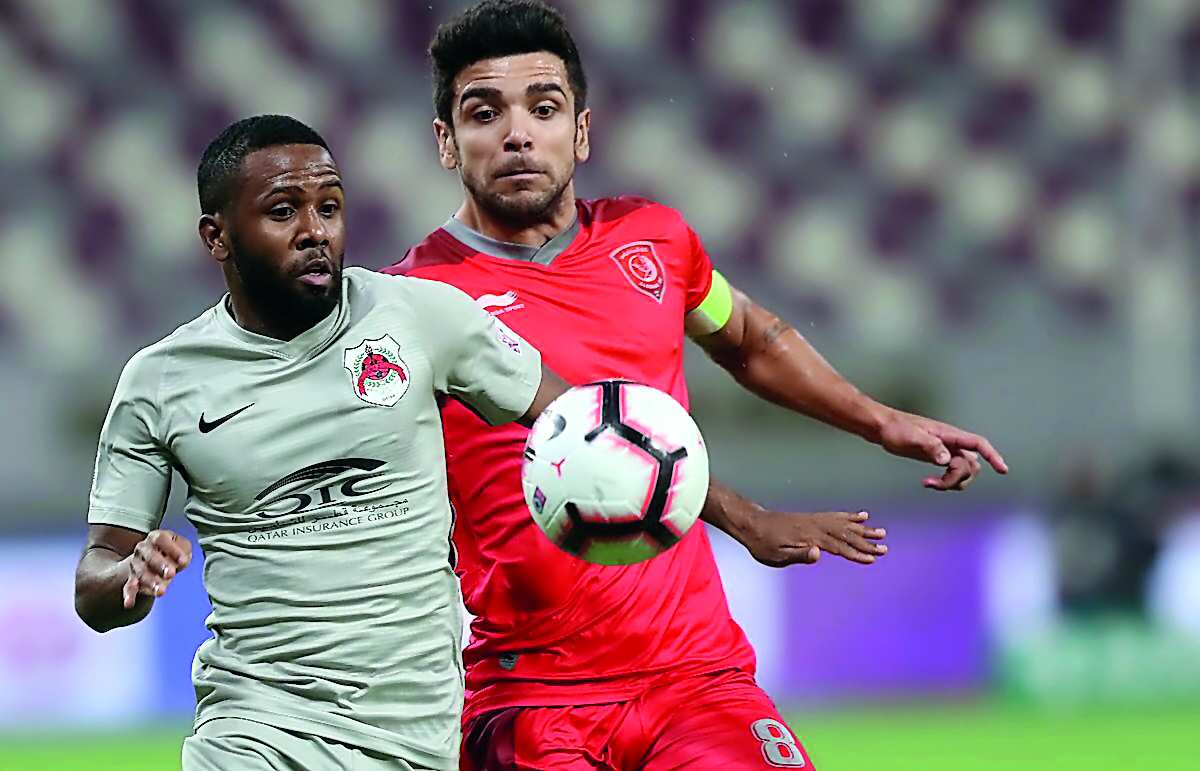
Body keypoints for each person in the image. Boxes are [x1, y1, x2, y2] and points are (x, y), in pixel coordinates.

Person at [384, 2, 1010, 770]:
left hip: (697, 679)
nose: (518, 133)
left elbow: (747, 337)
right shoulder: (412, 303)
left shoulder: (656, 243)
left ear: (580, 129)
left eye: (543, 108)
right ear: (446, 141)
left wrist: (879, 422)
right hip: (528, 695)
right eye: (485, 113)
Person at [74, 114, 569, 771]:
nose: (316, 231)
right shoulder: (161, 380)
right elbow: (94, 580)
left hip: (411, 737)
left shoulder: (419, 315)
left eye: (329, 207)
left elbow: (593, 425)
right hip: (251, 728)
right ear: (216, 236)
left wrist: (730, 515)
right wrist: (127, 576)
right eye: (283, 211)